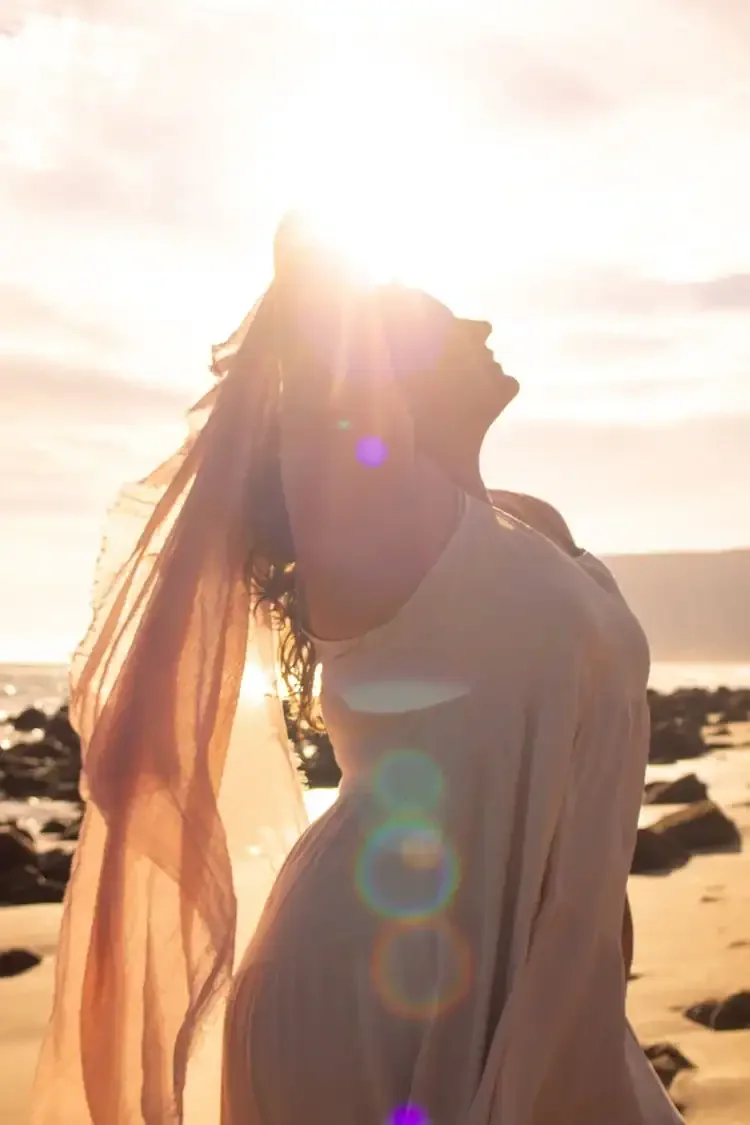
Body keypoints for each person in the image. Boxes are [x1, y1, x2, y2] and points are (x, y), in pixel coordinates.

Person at [31, 218, 682, 1125]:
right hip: (374, 979)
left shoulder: (516, 521)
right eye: (444, 321)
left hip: (519, 962)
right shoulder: (367, 524)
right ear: (382, 376)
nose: (483, 328)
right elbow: (312, 270)